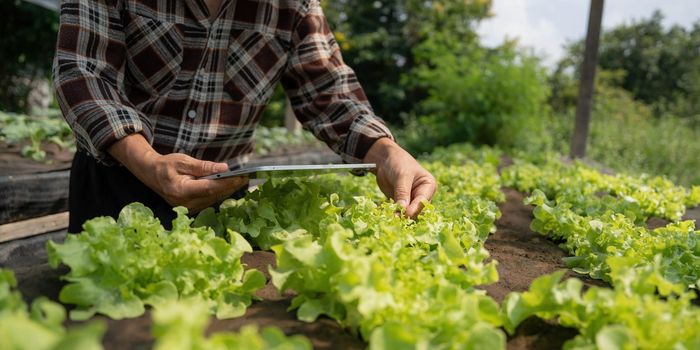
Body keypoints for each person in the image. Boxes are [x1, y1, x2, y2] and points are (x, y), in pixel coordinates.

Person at [53, 0, 437, 233]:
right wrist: (148, 161)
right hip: (118, 179)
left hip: (221, 195)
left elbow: (328, 92)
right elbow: (83, 71)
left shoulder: (294, 7)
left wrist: (385, 152)